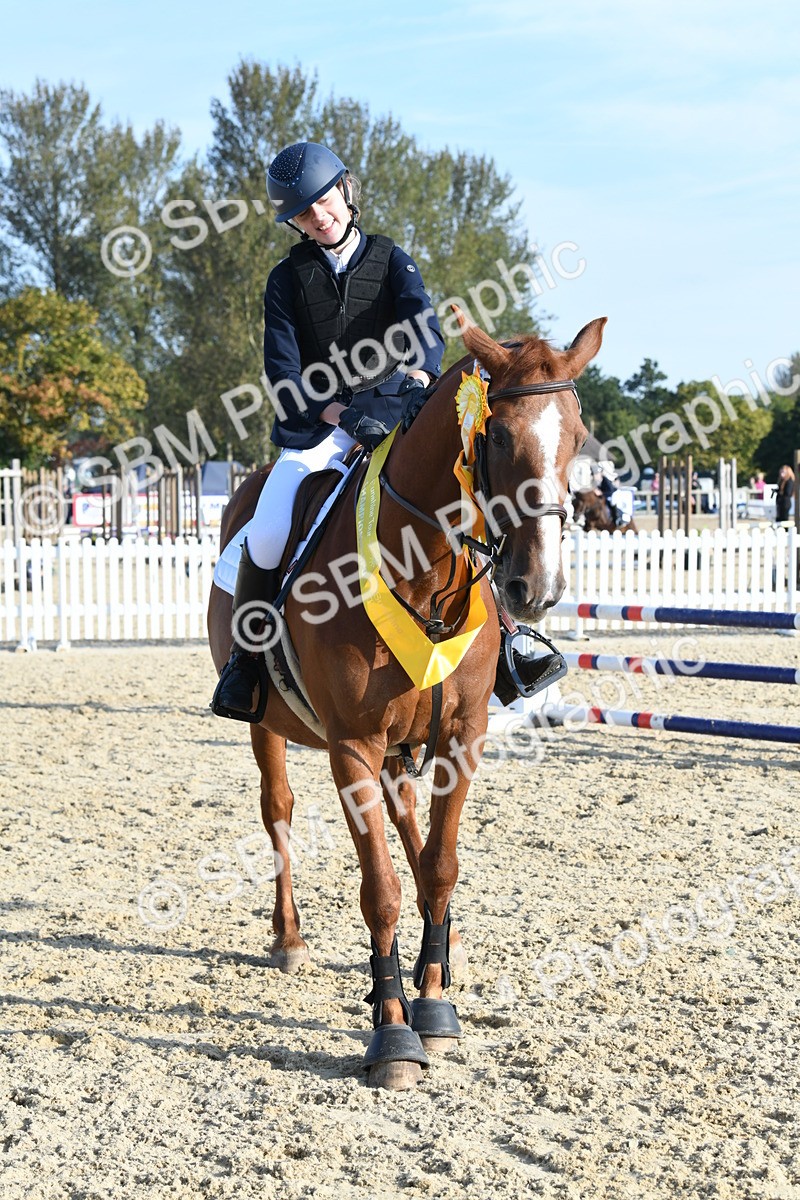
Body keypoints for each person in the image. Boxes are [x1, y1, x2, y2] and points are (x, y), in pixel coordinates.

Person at [212, 141, 564, 720]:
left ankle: (509, 645)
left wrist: (416, 381)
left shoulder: (389, 257)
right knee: (270, 529)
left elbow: (425, 330)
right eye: (303, 213)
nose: (318, 217)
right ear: (294, 222)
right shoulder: (285, 281)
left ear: (344, 193)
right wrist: (340, 415)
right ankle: (246, 663)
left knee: (468, 504)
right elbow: (284, 374)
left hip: (395, 416)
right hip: (318, 431)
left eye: (324, 202)